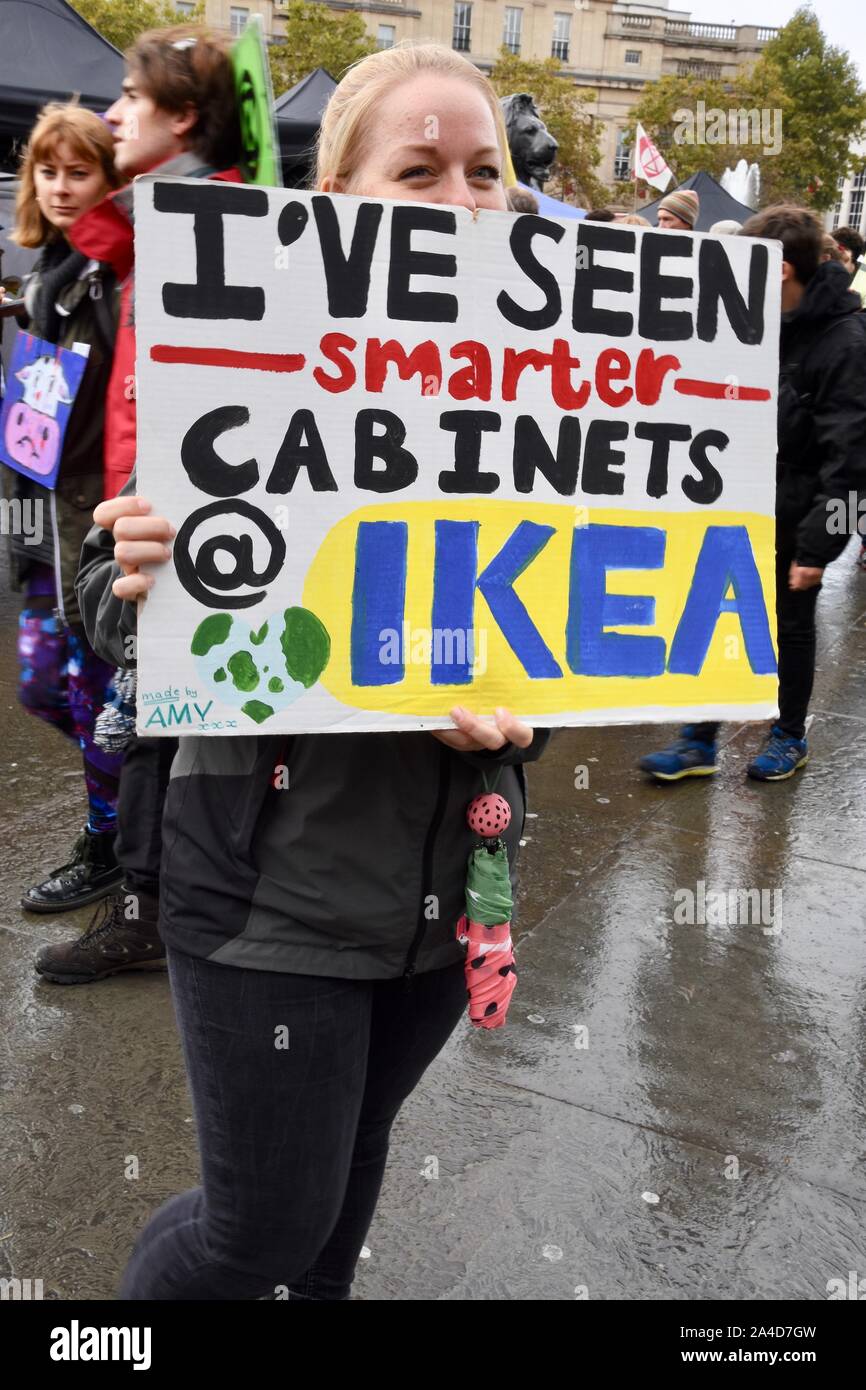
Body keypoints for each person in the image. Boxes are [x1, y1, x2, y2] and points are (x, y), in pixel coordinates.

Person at [77, 41, 550, 1300]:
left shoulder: (549, 391)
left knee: (344, 1173)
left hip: (449, 886)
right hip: (271, 889)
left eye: (484, 172)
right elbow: (105, 612)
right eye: (419, 172)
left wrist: (520, 720)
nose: (461, 201)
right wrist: (141, 578)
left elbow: (570, 649)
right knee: (258, 1234)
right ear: (336, 199)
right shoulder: (238, 350)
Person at [34, 24, 243, 983]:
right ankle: (150, 903)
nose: (113, 112)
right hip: (129, 517)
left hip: (188, 524)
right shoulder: (130, 236)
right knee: (140, 715)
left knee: (169, 725)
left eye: (131, 94)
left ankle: (155, 914)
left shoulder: (220, 231)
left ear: (185, 116)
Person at [640, 205, 866, 783]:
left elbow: (854, 458)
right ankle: (699, 739)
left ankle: (789, 736)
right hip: (740, 498)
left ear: (780, 269)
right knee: (713, 613)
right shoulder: (760, 321)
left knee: (790, 625)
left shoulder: (846, 341)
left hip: (798, 509)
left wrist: (818, 548)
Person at [1, 103, 126, 913]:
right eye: (47, 171)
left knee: (92, 696)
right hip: (43, 519)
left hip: (93, 522)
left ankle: (108, 839)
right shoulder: (46, 271)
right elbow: (28, 425)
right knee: (44, 687)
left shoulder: (113, 278)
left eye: (79, 171)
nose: (60, 186)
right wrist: (18, 539)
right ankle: (132, 806)